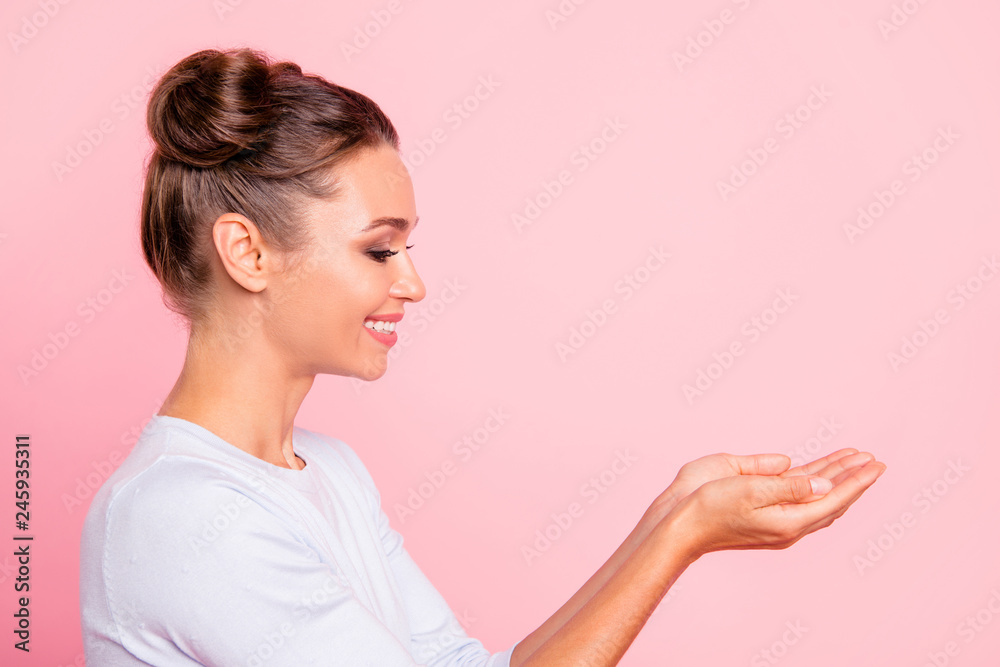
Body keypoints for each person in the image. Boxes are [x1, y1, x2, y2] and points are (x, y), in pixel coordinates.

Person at [79, 47, 886, 666]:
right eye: (379, 249)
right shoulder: (179, 515)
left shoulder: (331, 475)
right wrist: (682, 537)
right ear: (247, 253)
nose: (414, 283)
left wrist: (674, 516)